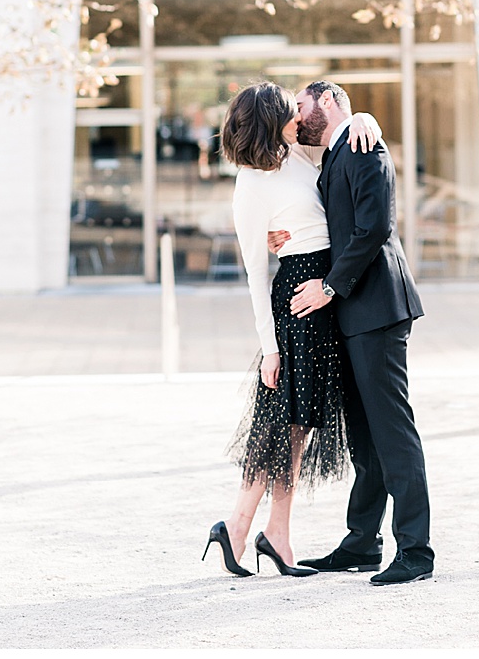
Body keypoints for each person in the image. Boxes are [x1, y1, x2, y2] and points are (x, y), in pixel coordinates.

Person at [202, 82, 381, 578]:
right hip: (299, 300)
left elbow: (343, 130)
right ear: (271, 118)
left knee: (296, 425)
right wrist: (269, 348)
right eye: (289, 109)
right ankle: (240, 526)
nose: (298, 115)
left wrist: (366, 117)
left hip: (327, 291)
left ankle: (273, 534)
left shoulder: (299, 155)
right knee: (281, 421)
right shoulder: (250, 186)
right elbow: (256, 273)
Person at [283, 79, 433, 586]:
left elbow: (374, 228)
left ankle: (416, 552)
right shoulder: (330, 154)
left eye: (301, 105)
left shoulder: (365, 142)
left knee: (393, 435)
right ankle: (362, 544)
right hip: (350, 315)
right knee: (364, 443)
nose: (298, 117)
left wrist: (328, 286)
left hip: (376, 311)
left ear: (329, 101)